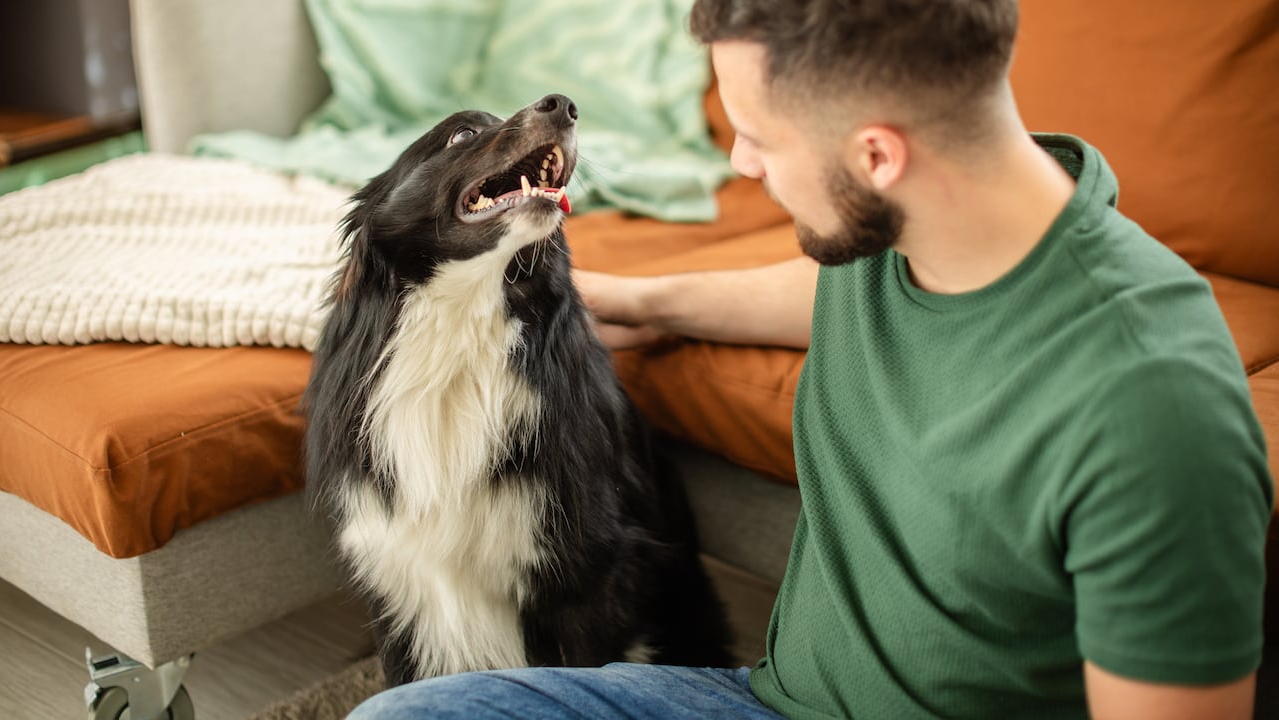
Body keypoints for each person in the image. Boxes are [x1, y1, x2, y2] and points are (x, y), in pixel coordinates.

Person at [349, 1, 1273, 718]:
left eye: (759, 136)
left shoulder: (1153, 409)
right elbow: (825, 289)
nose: (741, 164)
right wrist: (646, 300)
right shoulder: (913, 237)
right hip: (770, 701)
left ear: (876, 156)